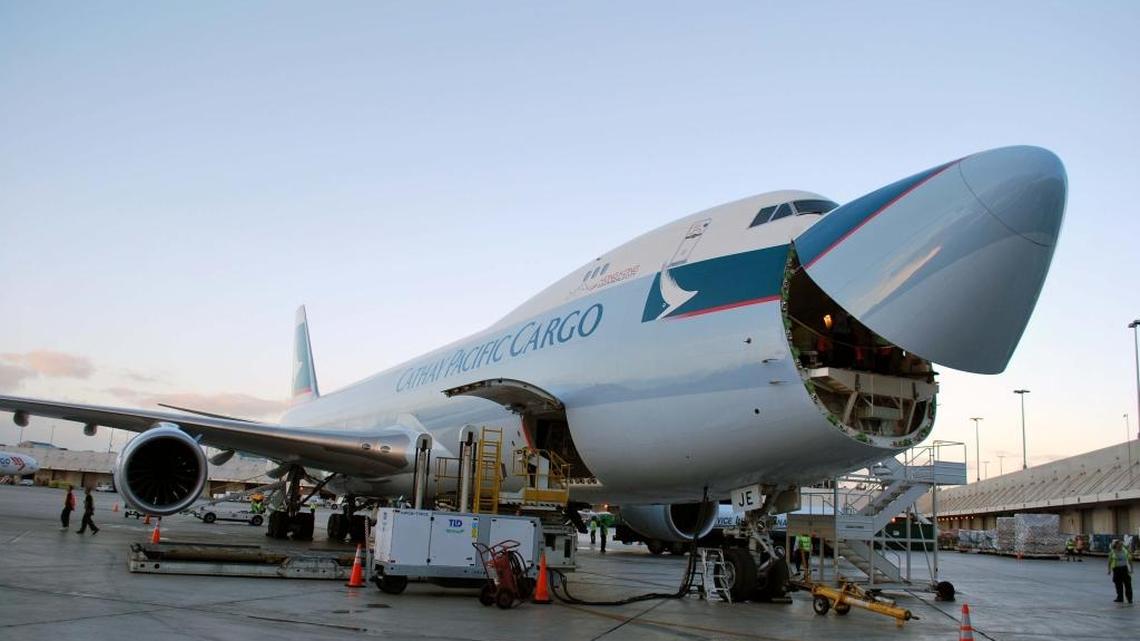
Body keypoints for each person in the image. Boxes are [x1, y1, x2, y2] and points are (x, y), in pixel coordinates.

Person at [1108, 539, 1133, 604]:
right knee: (1118, 584)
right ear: (1116, 545)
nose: (1120, 545)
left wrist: (1131, 569)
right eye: (1119, 544)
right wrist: (1109, 570)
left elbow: (1130, 560)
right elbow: (1109, 561)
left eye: (1121, 544)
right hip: (1116, 569)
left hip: (1124, 569)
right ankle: (1120, 598)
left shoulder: (1125, 551)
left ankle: (1129, 598)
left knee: (1128, 584)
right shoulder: (1112, 552)